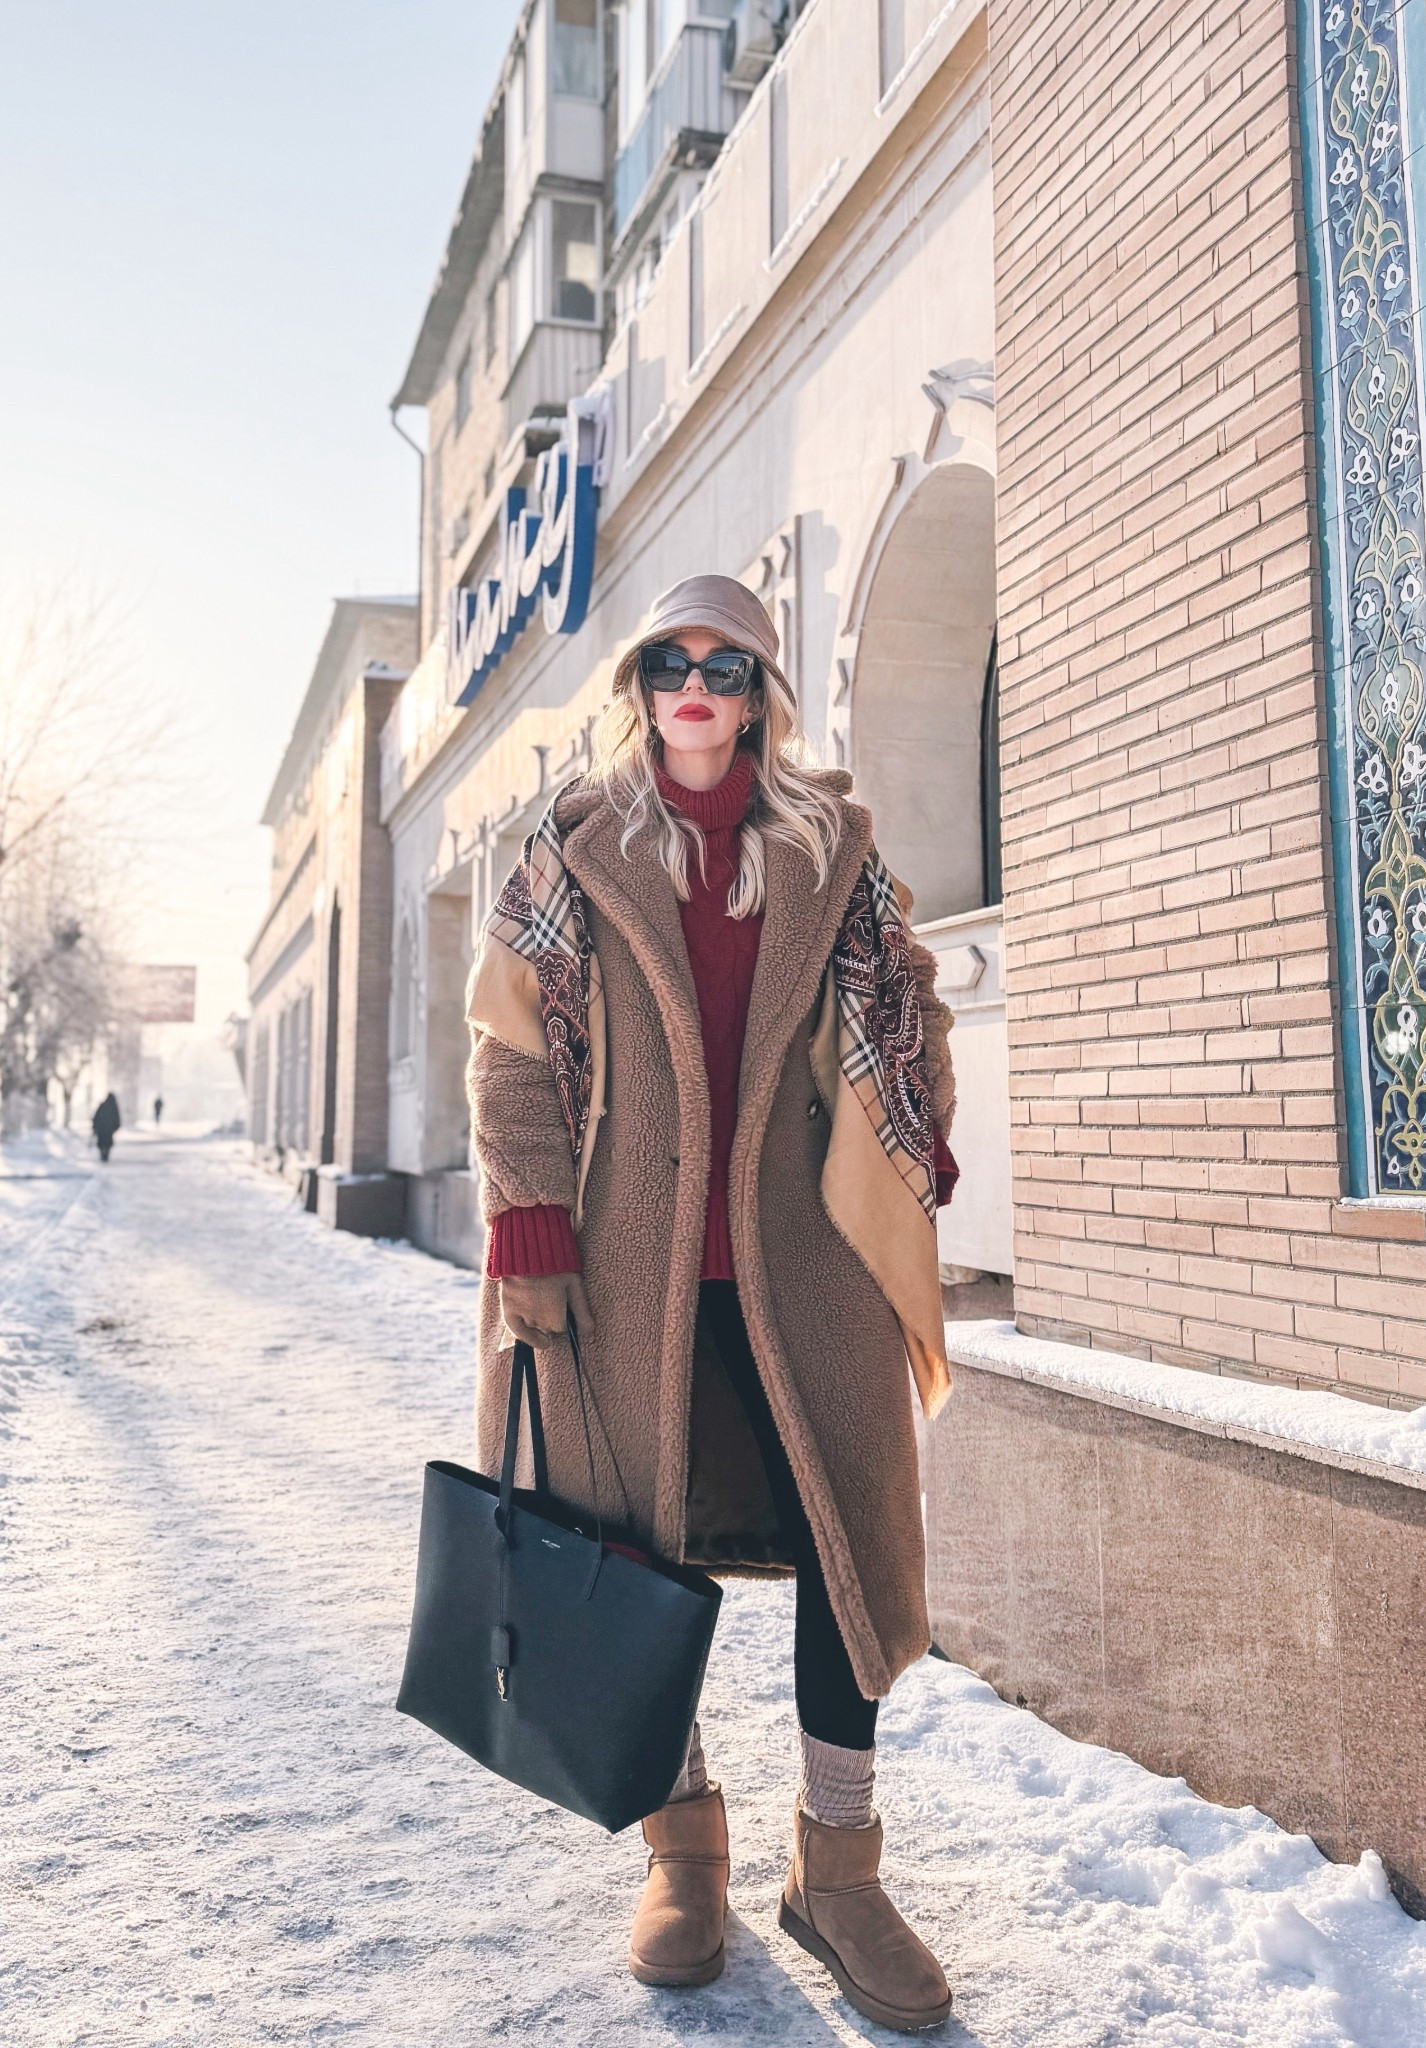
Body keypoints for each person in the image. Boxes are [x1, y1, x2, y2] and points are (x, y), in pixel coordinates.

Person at [466, 576, 960, 2032]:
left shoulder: (833, 842)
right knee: (638, 1549)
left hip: (808, 1266)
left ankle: (841, 1871)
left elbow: (905, 997)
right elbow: (507, 1047)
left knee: (844, 1544)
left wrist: (913, 1119)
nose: (695, 684)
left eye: (723, 663)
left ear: (756, 690)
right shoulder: (572, 844)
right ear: (639, 685)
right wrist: (533, 1218)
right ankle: (686, 1848)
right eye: (669, 661)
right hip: (622, 1264)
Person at [92, 1092, 121, 1163]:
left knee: (102, 1143)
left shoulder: (102, 1105)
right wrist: (115, 1127)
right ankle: (105, 1154)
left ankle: (103, 1154)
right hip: (109, 1130)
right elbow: (117, 1118)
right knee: (107, 1143)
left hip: (101, 1129)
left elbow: (96, 1117)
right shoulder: (114, 1107)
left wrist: (95, 1127)